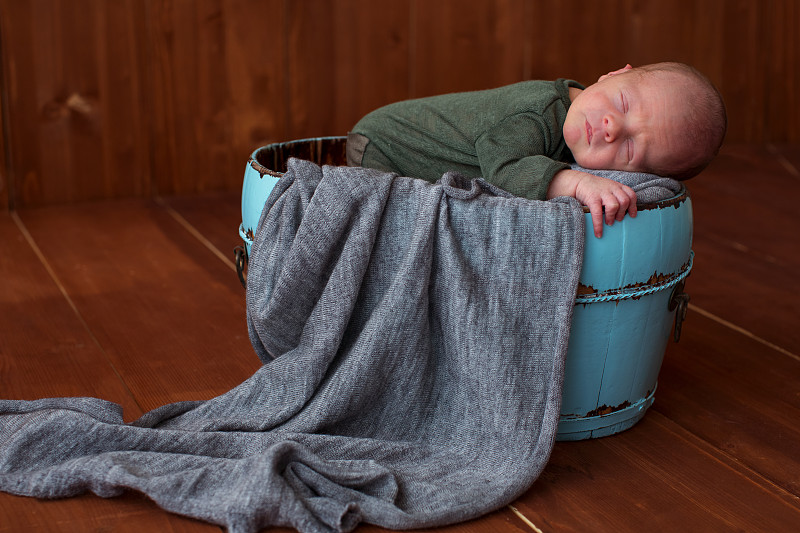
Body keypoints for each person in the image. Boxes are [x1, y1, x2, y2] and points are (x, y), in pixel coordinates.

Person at [347, 62, 727, 237]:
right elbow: (505, 167)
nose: (611, 128)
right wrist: (575, 183)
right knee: (393, 231)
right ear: (613, 74)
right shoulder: (538, 111)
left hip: (409, 156)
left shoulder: (578, 122)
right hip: (383, 146)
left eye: (629, 148)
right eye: (624, 103)